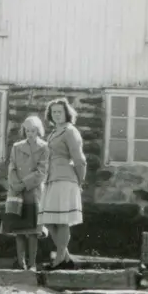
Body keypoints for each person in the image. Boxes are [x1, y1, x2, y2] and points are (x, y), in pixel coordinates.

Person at [39, 97, 87, 271]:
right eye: (54, 112)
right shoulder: (52, 133)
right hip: (51, 179)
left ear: (67, 113)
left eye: (60, 111)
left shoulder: (70, 131)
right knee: (49, 220)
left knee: (62, 220)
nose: (57, 115)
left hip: (66, 179)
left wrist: (80, 180)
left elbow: (79, 158)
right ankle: (65, 258)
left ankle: (59, 260)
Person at [1, 115, 49, 270]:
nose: (30, 133)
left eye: (33, 130)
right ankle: (21, 263)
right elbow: (12, 167)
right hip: (16, 192)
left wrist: (24, 184)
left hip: (33, 192)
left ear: (39, 130)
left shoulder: (44, 148)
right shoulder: (16, 147)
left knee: (33, 231)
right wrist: (15, 184)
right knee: (19, 230)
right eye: (27, 130)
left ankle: (32, 263)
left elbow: (42, 171)